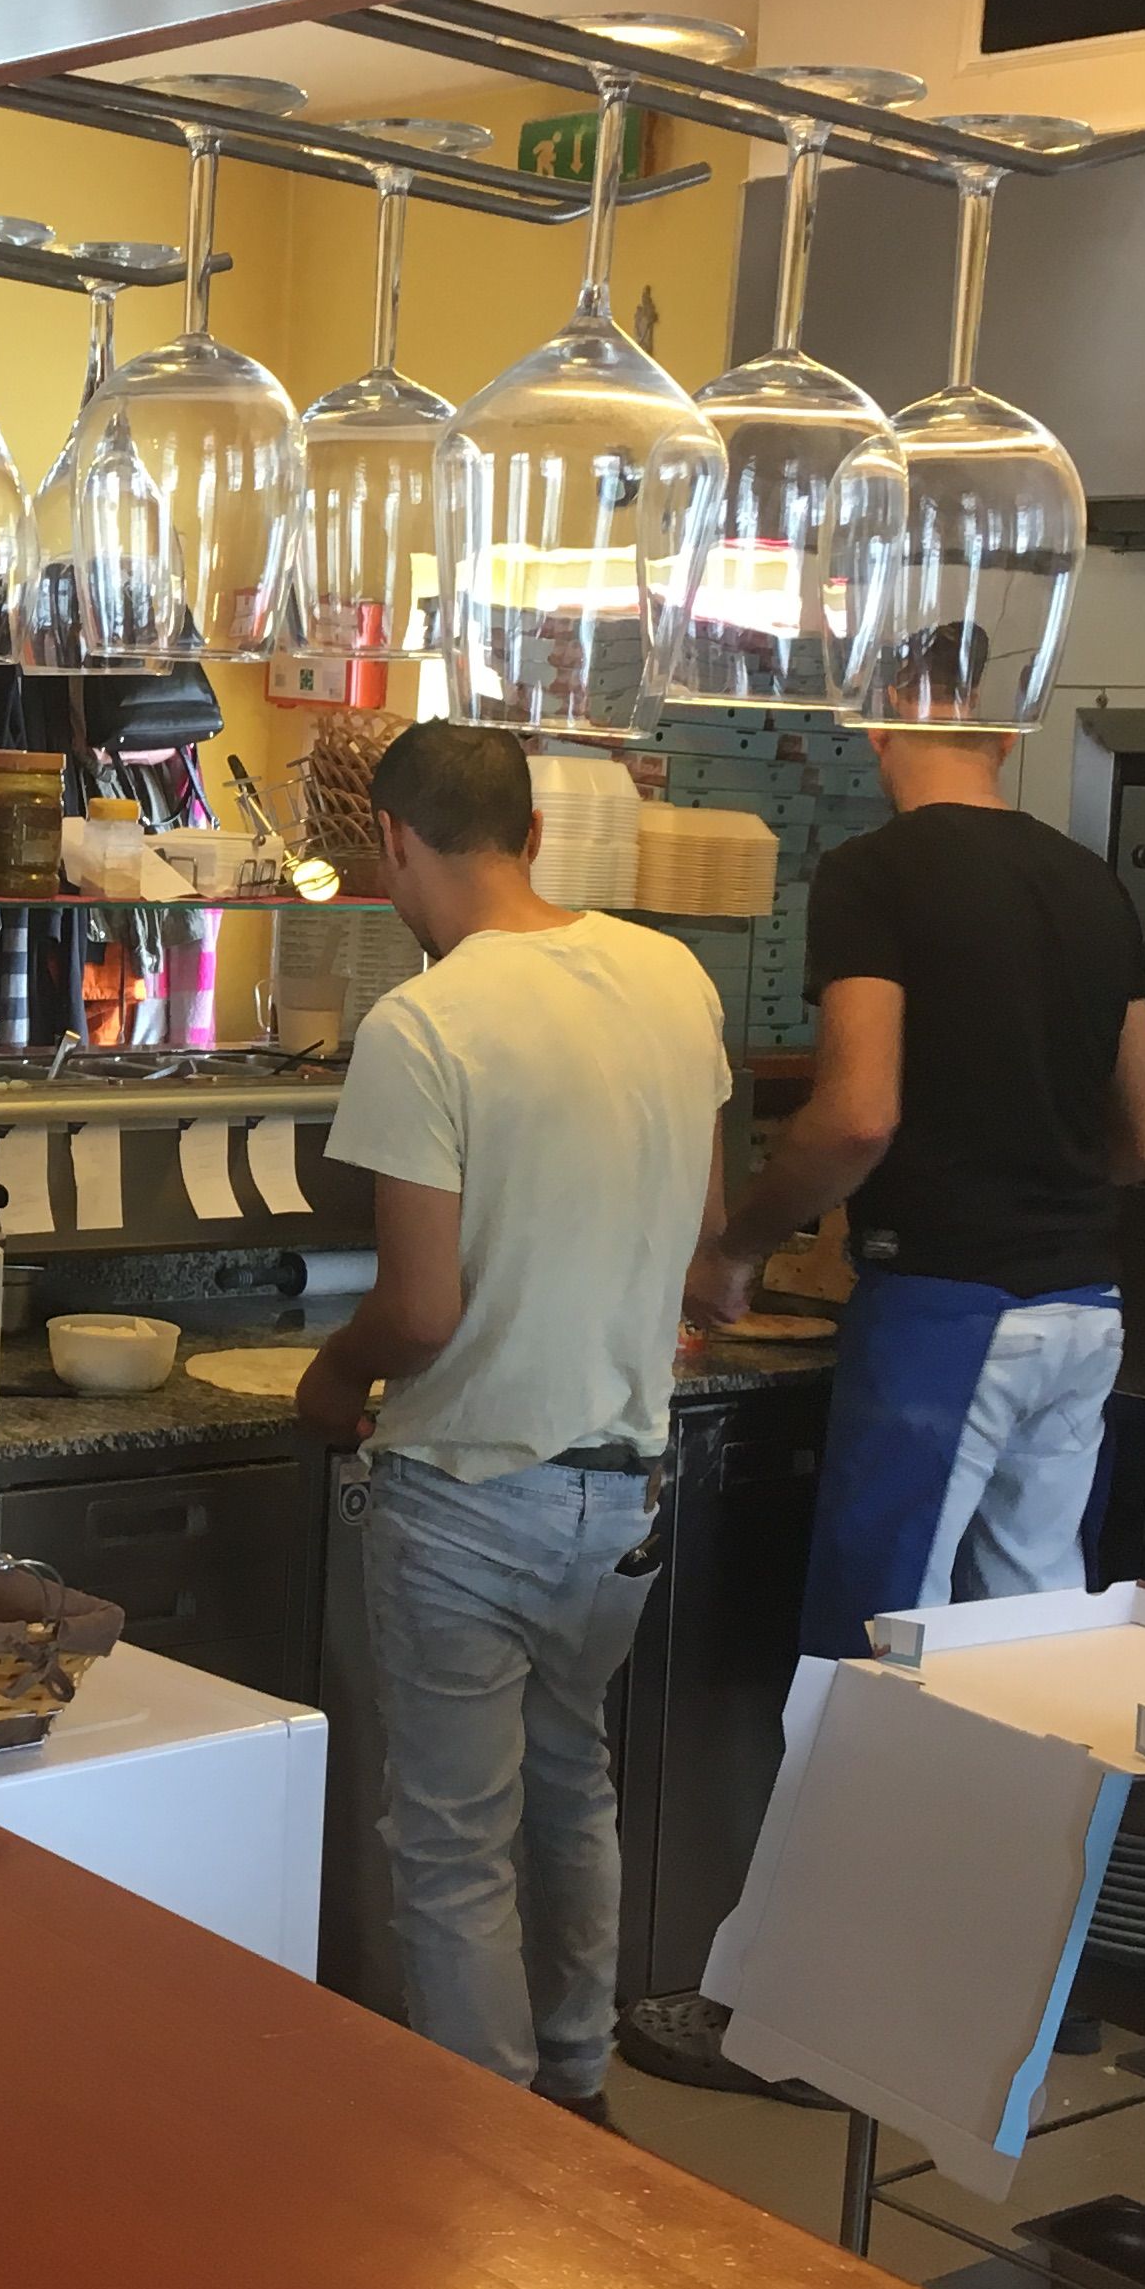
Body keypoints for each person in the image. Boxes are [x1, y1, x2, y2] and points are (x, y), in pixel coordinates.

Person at [294, 722, 729, 2122]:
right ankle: (578, 2089)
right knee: (573, 1785)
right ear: (535, 836)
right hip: (626, 1490)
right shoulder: (672, 978)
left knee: (451, 1838)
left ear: (391, 844)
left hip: (469, 1496)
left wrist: (333, 1379)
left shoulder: (424, 1024)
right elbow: (709, 1235)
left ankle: (484, 2137)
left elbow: (420, 1310)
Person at [687, 723, 1145, 1657]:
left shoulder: (876, 871)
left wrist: (737, 1248)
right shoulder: (1092, 881)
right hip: (1085, 1314)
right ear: (1005, 740)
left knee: (881, 1640)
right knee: (1034, 1634)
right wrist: (1040, 1171)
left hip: (949, 1315)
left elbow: (856, 1118)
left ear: (880, 729)